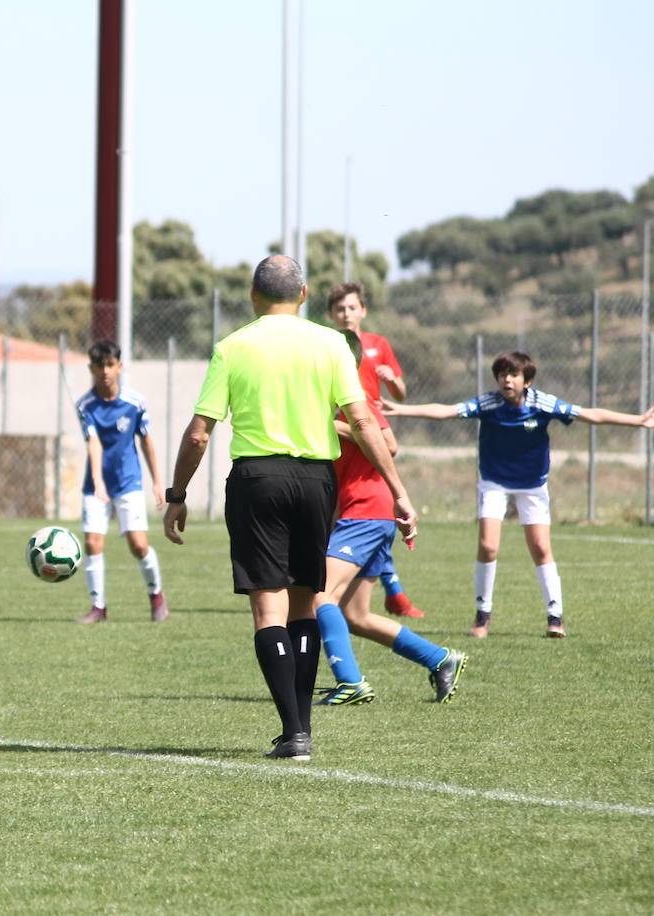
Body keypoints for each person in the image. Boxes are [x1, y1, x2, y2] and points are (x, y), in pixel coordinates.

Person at [163, 255, 416, 761]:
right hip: (315, 481)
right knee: (304, 604)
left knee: (267, 609)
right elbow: (364, 422)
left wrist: (176, 494)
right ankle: (300, 730)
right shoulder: (329, 343)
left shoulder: (232, 346)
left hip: (258, 481)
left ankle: (294, 730)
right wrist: (399, 490)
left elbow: (198, 433)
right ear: (303, 296)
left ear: (253, 297)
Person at [384, 351, 654, 639]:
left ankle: (555, 616)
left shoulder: (542, 403)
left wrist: (638, 421)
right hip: (494, 483)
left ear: (527, 381)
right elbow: (447, 411)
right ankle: (482, 616)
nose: (506, 379)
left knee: (540, 547)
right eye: (502, 374)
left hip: (533, 485)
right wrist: (402, 410)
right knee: (488, 546)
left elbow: (590, 414)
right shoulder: (489, 403)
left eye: (513, 375)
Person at [312, 330, 465, 707]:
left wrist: (333, 426)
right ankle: (440, 659)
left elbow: (390, 444)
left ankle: (349, 682)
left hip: (368, 509)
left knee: (319, 595)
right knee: (355, 615)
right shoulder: (325, 404)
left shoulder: (356, 400)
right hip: (359, 513)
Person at [326, 282, 423, 618]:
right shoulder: (328, 347)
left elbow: (400, 393)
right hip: (340, 422)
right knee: (352, 518)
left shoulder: (377, 344)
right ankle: (392, 593)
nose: (346, 313)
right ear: (331, 315)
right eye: (340, 309)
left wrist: (391, 380)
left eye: (352, 307)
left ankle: (392, 592)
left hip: (364, 420)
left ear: (363, 311)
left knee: (363, 514)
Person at [74, 339, 168, 624]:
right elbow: (93, 443)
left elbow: (147, 442)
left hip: (129, 481)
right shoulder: (85, 405)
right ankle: (98, 607)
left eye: (110, 365)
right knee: (92, 543)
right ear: (91, 368)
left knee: (138, 545)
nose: (105, 371)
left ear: (120, 366)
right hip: (96, 485)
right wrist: (98, 481)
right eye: (99, 366)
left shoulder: (134, 402)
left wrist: (156, 481)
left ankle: (157, 595)